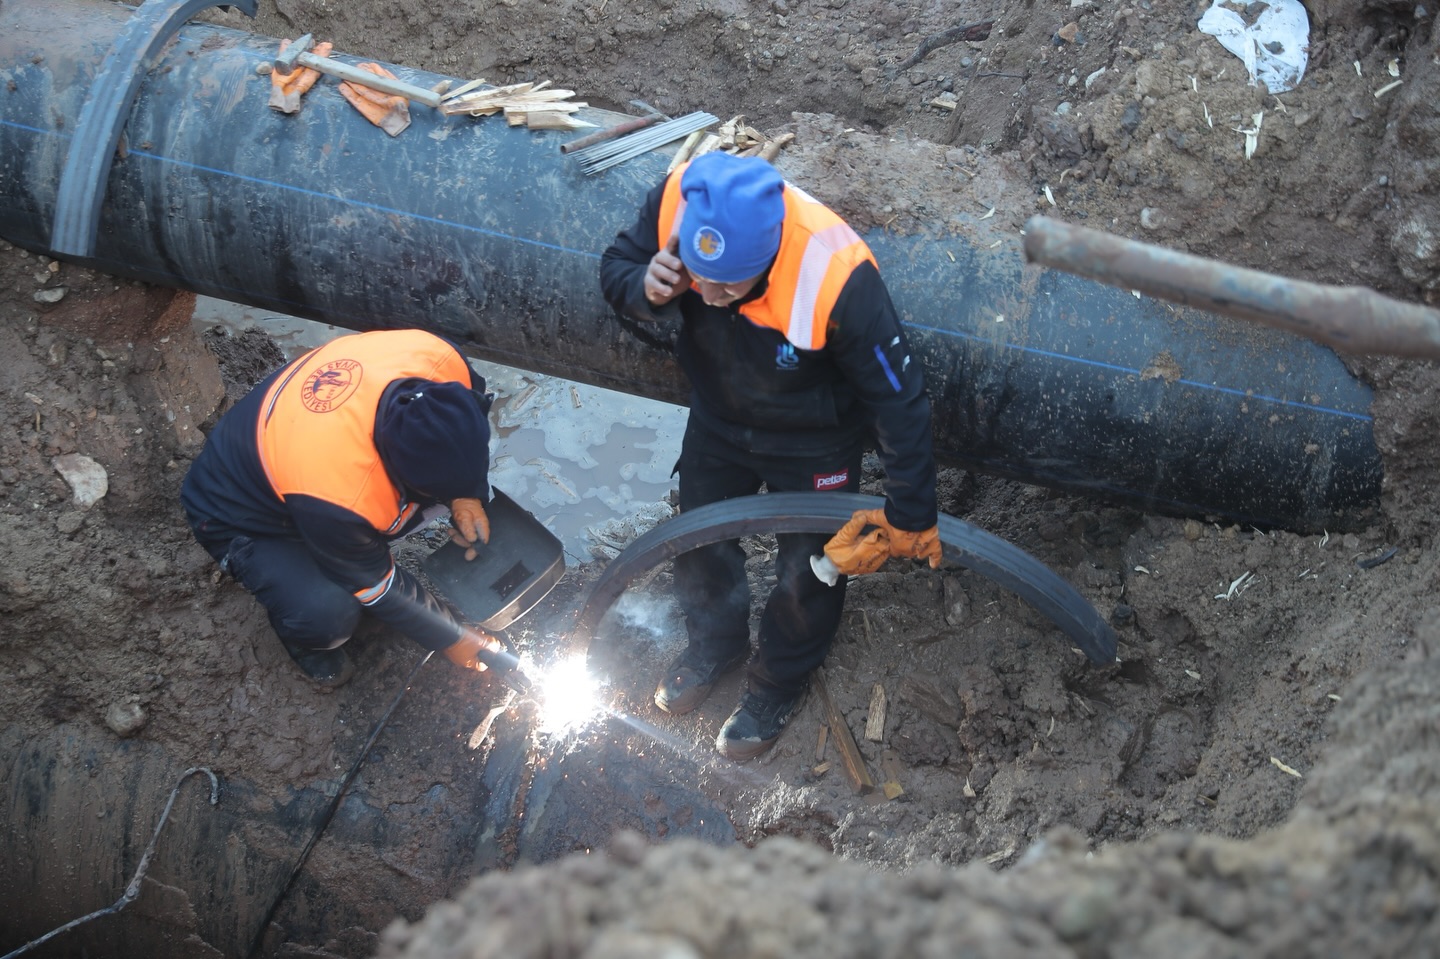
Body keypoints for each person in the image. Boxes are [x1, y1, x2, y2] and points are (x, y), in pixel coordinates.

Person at [600, 151, 943, 761]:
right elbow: (616, 266)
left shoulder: (837, 274)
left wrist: (910, 511)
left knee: (810, 568)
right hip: (718, 417)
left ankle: (777, 682)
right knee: (697, 538)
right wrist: (643, 287)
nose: (703, 296)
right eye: (697, 276)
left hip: (814, 435)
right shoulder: (682, 197)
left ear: (768, 260)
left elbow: (900, 399)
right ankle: (714, 645)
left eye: (727, 286)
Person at [181, 328, 507, 687]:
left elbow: (459, 439)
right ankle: (303, 638)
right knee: (327, 614)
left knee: (378, 527)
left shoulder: (441, 358)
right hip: (236, 511)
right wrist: (453, 638)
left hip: (286, 449)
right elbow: (375, 585)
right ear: (394, 469)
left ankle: (347, 545)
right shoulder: (338, 488)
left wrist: (467, 495)